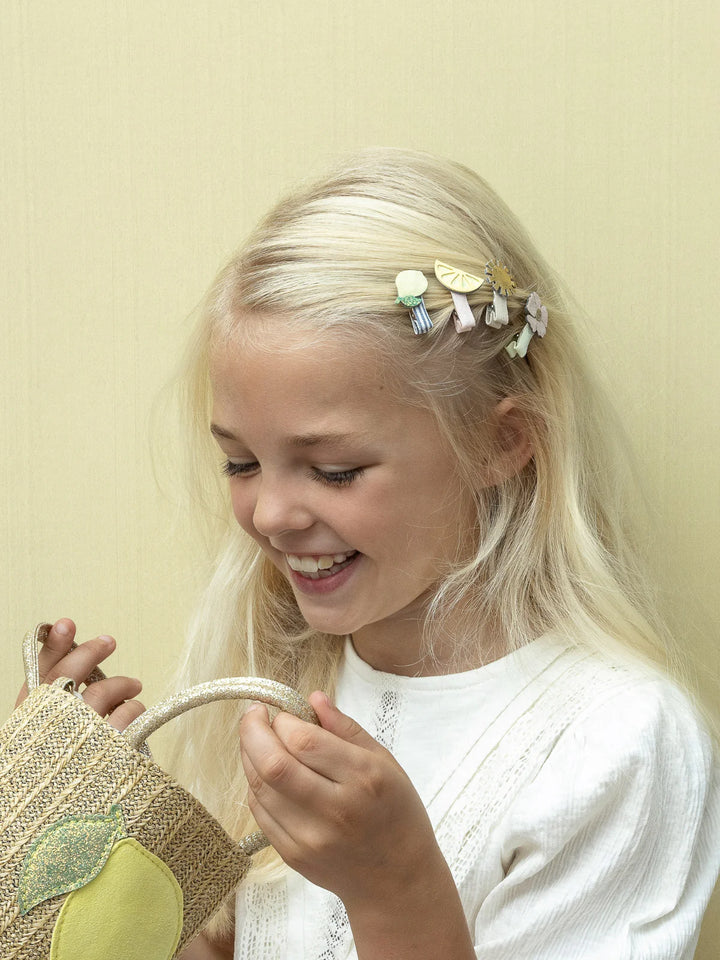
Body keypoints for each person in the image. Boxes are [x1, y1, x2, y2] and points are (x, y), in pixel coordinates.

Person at [26, 149, 720, 959]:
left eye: (335, 470)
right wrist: (73, 827)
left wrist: (396, 888)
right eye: (241, 463)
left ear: (499, 444)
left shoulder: (617, 744)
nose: (271, 514)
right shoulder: (280, 676)